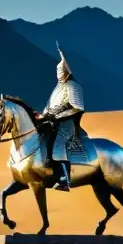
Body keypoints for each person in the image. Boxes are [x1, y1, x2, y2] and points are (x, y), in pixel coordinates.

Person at [35, 43, 85, 191]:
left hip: (68, 123)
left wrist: (57, 116)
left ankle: (64, 179)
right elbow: (51, 105)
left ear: (67, 73)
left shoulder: (74, 87)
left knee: (58, 143)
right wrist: (42, 116)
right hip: (53, 121)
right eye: (58, 73)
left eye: (61, 72)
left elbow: (77, 107)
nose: (59, 75)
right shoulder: (58, 87)